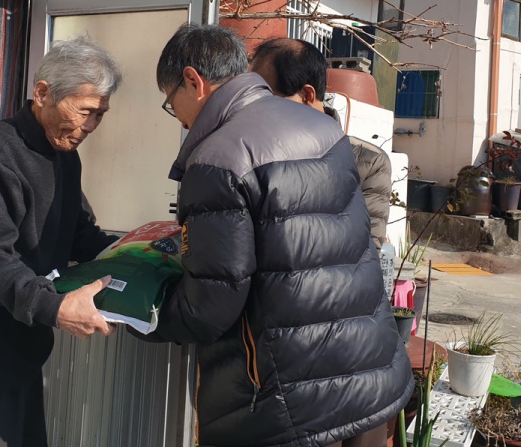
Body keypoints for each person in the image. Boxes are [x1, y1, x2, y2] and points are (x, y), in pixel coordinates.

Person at [149, 24, 412, 447]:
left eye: (170, 101)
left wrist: (140, 313)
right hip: (368, 372)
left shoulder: (217, 158)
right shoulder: (323, 129)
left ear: (194, 82)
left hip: (290, 404)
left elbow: (211, 304)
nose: (177, 116)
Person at [0, 36, 123, 447]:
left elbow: (79, 233)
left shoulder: (64, 154)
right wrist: (56, 307)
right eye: (85, 111)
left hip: (21, 354)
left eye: (99, 115)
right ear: (43, 93)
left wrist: (136, 255)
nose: (90, 127)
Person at [249, 37, 393, 254]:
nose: (258, 111)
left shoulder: (367, 161)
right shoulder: (254, 155)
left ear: (307, 95)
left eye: (269, 100)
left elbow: (366, 249)